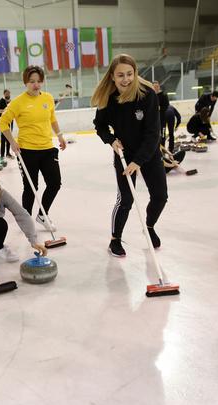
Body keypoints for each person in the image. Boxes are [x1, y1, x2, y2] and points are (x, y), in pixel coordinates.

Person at [92, 54, 167, 258]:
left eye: (129, 74)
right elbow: (99, 126)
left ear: (135, 73)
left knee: (160, 196)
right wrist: (110, 140)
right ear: (112, 77)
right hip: (124, 153)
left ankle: (149, 226)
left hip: (148, 153)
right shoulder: (108, 99)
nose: (126, 79)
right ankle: (115, 239)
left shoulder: (147, 94)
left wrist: (138, 161)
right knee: (125, 199)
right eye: (120, 75)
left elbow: (153, 134)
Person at [0, 65, 67, 232]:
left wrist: (59, 135)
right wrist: (12, 142)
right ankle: (26, 219)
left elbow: (52, 118)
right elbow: (2, 123)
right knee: (31, 187)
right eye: (31, 82)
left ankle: (43, 215)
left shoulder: (48, 98)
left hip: (47, 149)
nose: (36, 85)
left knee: (55, 183)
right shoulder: (17, 102)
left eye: (38, 81)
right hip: (27, 151)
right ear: (25, 83)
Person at [0, 89, 14, 159]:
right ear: (4, 94)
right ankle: (2, 155)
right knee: (3, 139)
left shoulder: (11, 102)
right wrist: (6, 111)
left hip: (10, 122)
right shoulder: (0, 101)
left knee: (9, 138)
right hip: (3, 123)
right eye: (6, 93)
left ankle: (8, 153)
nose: (8, 94)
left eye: (9, 93)